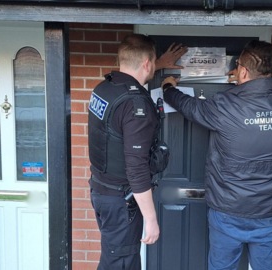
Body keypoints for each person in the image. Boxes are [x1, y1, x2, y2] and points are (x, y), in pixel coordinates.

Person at [161, 40, 272, 270]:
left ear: (243, 70)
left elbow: (189, 106)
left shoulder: (225, 105)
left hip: (229, 211)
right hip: (270, 209)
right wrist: (260, 77)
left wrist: (168, 88)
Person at [88, 34, 187, 270]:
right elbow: (136, 167)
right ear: (146, 63)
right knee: (121, 263)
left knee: (114, 259)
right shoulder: (135, 105)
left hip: (102, 191)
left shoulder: (104, 88)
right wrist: (151, 220)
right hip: (121, 202)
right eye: (152, 62)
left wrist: (157, 63)